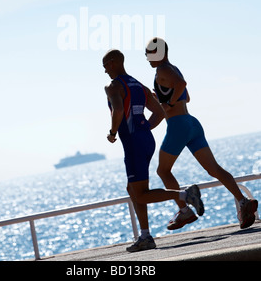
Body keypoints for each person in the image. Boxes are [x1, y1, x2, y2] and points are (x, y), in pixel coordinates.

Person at [145, 37, 258, 231]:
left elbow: (181, 84)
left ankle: (184, 210)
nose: (147, 58)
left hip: (178, 126)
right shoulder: (173, 68)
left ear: (158, 53)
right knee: (214, 168)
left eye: (148, 53)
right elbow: (186, 96)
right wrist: (164, 100)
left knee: (162, 171)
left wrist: (168, 104)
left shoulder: (162, 70)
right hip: (191, 123)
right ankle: (242, 201)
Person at [103, 49, 205, 252]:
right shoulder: (139, 85)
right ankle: (145, 235)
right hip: (145, 140)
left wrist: (113, 132)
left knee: (139, 194)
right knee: (133, 190)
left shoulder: (113, 86)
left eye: (105, 65)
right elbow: (159, 111)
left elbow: (119, 110)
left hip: (133, 142)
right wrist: (144, 129)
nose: (105, 70)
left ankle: (185, 195)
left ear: (114, 62)